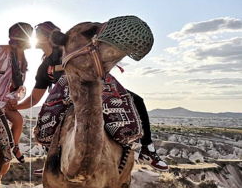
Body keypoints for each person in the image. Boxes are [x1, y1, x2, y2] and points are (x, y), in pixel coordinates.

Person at [14, 21, 168, 172]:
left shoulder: (71, 48)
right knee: (49, 120)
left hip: (91, 86)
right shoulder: (44, 67)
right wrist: (17, 106)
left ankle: (147, 149)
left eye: (39, 35)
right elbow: (36, 96)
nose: (37, 39)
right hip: (65, 95)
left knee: (137, 100)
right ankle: (52, 161)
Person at [0, 22, 33, 163]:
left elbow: (19, 86)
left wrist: (14, 98)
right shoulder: (3, 50)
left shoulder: (23, 58)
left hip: (6, 99)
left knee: (18, 120)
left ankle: (13, 147)